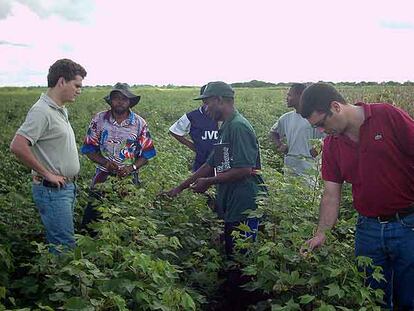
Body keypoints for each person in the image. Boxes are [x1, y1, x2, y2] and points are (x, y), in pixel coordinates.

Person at [300, 83, 414, 310]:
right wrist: (321, 233)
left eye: (322, 123)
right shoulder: (332, 146)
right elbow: (331, 195)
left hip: (408, 225)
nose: (321, 131)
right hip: (368, 230)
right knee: (372, 300)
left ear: (336, 106)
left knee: (409, 300)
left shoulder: (386, 115)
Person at [166, 81, 265, 256]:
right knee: (231, 253)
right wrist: (179, 188)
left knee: (242, 257)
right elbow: (212, 164)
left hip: (244, 204)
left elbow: (244, 170)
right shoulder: (226, 126)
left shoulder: (238, 126)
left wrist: (209, 182)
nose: (205, 108)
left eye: (207, 102)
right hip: (230, 202)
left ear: (219, 100)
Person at [10, 59, 87, 252]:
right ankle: (60, 281)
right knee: (64, 246)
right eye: (76, 85)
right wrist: (47, 173)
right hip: (53, 190)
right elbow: (18, 145)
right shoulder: (41, 111)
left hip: (64, 188)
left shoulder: (59, 110)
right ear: (62, 81)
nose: (79, 90)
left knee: (63, 242)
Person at [80, 83, 156, 229]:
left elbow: (147, 153)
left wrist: (131, 167)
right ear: (111, 101)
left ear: (129, 102)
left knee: (127, 218)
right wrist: (105, 163)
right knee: (93, 217)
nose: (120, 102)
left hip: (128, 177)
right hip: (102, 175)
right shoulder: (99, 119)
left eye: (124, 99)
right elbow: (89, 148)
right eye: (116, 98)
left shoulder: (139, 123)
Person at [269, 83, 324, 178]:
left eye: (290, 95)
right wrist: (280, 145)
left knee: (307, 193)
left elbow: (328, 137)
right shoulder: (286, 118)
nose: (287, 98)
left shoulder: (314, 117)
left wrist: (318, 149)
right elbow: (273, 132)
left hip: (308, 167)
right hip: (290, 166)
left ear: (301, 96)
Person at [169, 85, 219, 172]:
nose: (208, 105)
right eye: (206, 102)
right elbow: (174, 131)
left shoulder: (224, 116)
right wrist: (192, 146)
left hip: (222, 162)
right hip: (201, 162)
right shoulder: (192, 116)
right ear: (203, 101)